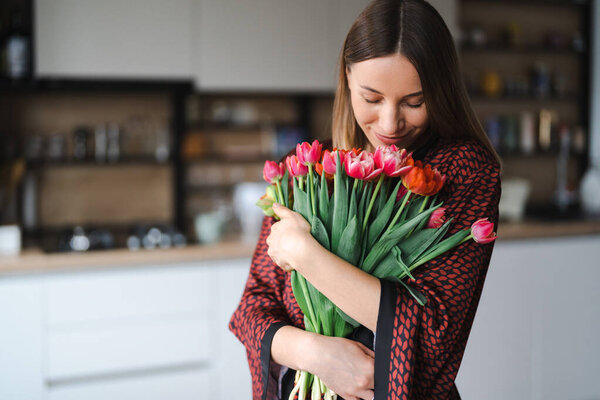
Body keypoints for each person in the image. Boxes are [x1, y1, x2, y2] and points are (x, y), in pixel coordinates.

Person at [229, 0, 502, 399]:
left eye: (414, 101)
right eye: (372, 99)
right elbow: (250, 311)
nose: (391, 124)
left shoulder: (460, 172)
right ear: (347, 79)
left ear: (441, 92)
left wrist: (305, 254)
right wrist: (317, 354)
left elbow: (434, 333)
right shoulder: (308, 171)